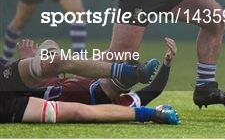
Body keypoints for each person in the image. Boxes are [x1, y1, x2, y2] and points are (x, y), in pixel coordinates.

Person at [0, 41, 178, 124]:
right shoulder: (122, 100)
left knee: (53, 59)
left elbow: (153, 90)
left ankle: (130, 72)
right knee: (52, 56)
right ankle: (130, 71)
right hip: (32, 91)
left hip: (17, 100)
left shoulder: (127, 102)